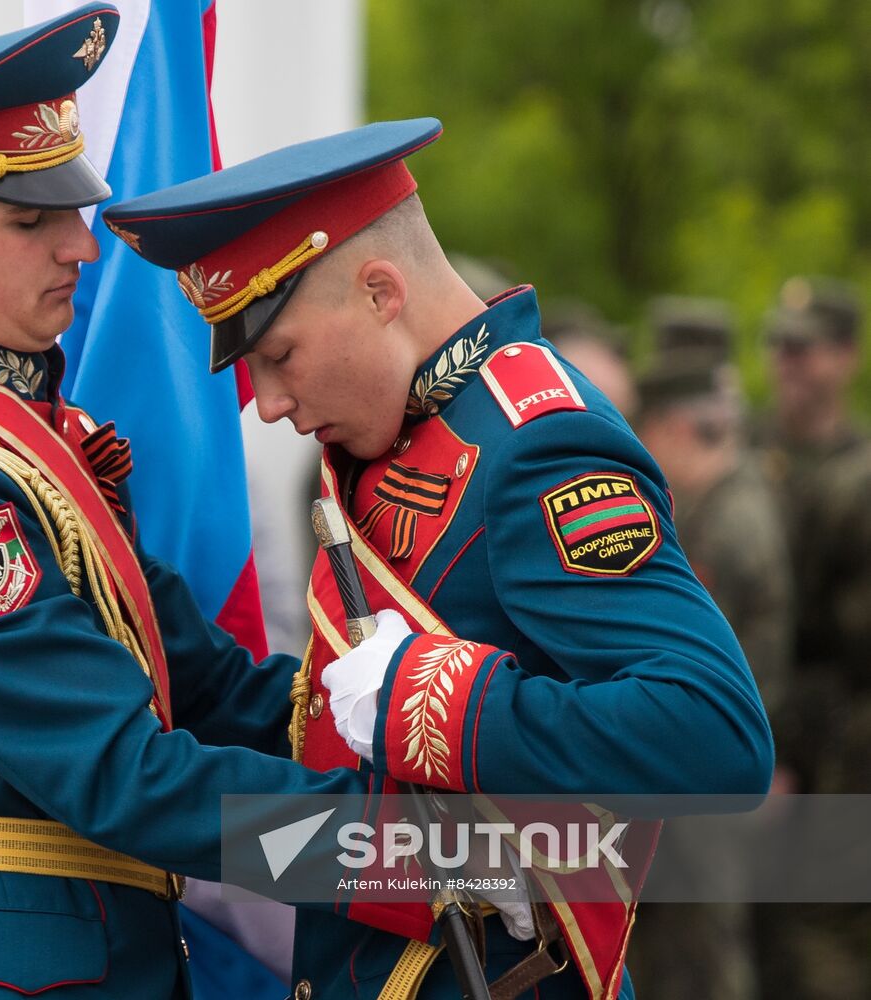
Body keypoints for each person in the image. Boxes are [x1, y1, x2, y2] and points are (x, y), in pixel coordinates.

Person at [0, 10, 418, 999]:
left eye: (73, 209)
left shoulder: (26, 451)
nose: (84, 246)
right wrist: (430, 858)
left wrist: (441, 721)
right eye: (31, 221)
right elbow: (120, 775)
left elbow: (217, 692)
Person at [104, 117, 773, 999]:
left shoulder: (538, 444)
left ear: (380, 291)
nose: (265, 403)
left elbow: (716, 734)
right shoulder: (414, 435)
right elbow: (347, 737)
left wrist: (442, 698)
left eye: (279, 355)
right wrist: (120, 577)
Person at [629, 351, 793, 1000]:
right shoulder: (714, 503)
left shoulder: (728, 520)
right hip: (702, 773)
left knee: (707, 955)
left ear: (671, 427)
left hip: (709, 782)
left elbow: (701, 661)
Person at [752, 277, 871, 998]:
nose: (790, 363)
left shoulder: (857, 476)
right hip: (748, 734)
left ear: (847, 357)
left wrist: (797, 750)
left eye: (807, 349)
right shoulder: (740, 455)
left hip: (835, 755)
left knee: (820, 945)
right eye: (779, 347)